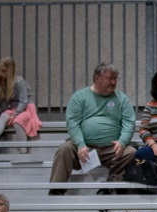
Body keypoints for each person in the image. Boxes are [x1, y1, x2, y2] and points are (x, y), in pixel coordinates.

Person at [48, 63, 136, 195]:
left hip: (111, 149)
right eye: (109, 78)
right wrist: (80, 145)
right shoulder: (79, 97)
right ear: (97, 78)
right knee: (64, 149)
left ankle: (111, 184)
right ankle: (56, 191)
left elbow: (129, 122)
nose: (113, 82)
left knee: (130, 152)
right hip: (84, 148)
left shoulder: (122, 99)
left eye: (115, 79)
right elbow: (72, 123)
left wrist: (122, 142)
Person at [0, 57, 42, 152]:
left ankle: (23, 150)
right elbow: (5, 108)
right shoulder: (3, 84)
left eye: (3, 71)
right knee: (4, 115)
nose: (0, 74)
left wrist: (14, 115)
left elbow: (24, 101)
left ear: (10, 70)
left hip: (26, 109)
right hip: (14, 109)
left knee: (17, 121)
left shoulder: (19, 82)